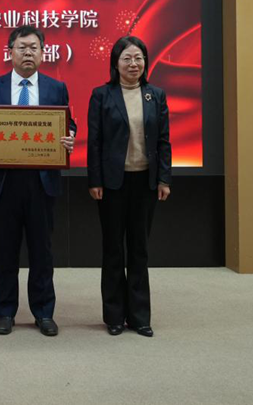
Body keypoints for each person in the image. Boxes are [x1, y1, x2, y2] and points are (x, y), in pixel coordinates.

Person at [0, 24, 76, 337]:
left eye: (34, 48)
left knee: (42, 252)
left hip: (42, 182)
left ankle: (44, 312)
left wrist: (70, 136)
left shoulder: (57, 88)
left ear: (43, 53)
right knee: (6, 252)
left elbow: (68, 124)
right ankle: (5, 312)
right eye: (22, 47)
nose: (28, 53)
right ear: (10, 52)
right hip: (5, 182)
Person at [87, 36, 172, 338]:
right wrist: (95, 180)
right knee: (113, 249)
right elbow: (94, 142)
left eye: (138, 58)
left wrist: (164, 179)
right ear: (115, 63)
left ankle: (139, 316)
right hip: (112, 184)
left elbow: (163, 140)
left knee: (139, 250)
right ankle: (113, 315)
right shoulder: (102, 95)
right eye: (127, 58)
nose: (133, 64)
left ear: (145, 62)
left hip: (145, 182)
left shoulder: (155, 95)